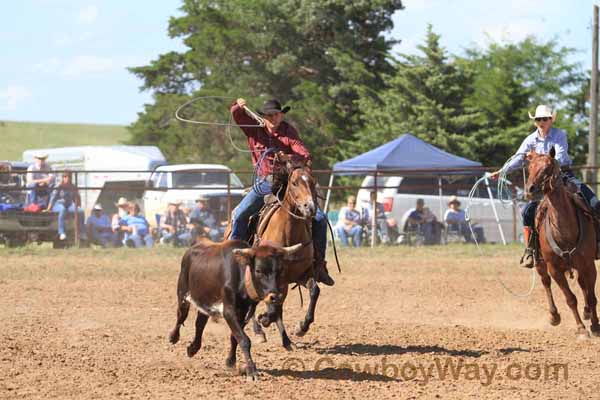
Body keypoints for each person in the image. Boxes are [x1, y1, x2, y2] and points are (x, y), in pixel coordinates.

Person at [229, 97, 334, 286]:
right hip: (266, 181)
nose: (273, 118)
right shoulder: (254, 128)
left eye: (276, 114)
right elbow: (237, 115)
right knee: (240, 214)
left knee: (319, 218)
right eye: (270, 115)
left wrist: (288, 157)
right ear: (265, 117)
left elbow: (304, 154)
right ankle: (234, 258)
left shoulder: (288, 132)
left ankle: (319, 265)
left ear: (281, 115)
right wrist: (239, 105)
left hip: (290, 182)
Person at [491, 104, 600, 268]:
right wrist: (502, 171)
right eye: (538, 119)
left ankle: (596, 242)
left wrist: (536, 157)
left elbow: (561, 157)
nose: (541, 122)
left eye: (544, 119)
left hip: (563, 175)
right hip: (541, 182)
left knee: (592, 200)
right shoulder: (530, 140)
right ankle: (531, 250)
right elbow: (517, 157)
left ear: (551, 120)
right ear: (535, 122)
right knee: (527, 211)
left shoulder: (559, 135)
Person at [45, 171, 86, 241]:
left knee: (81, 211)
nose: (67, 178)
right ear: (63, 178)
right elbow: (53, 198)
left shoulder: (73, 186)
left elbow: (78, 197)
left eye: (69, 176)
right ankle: (61, 232)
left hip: (69, 204)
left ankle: (81, 232)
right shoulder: (58, 186)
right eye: (65, 176)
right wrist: (48, 209)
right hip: (58, 204)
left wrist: (78, 206)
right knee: (62, 209)